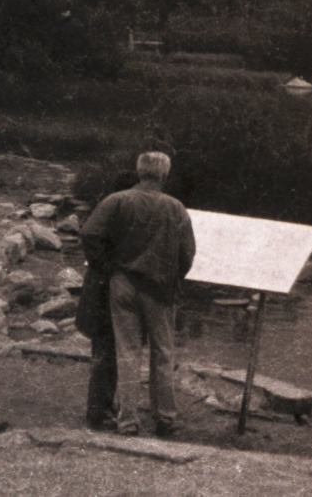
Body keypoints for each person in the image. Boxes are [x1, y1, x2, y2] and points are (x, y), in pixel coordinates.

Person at [79, 151, 196, 437]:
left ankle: (127, 420)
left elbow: (90, 235)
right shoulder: (176, 207)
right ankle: (165, 419)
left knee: (127, 352)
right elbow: (188, 252)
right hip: (159, 288)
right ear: (165, 174)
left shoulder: (117, 200)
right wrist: (174, 276)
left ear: (139, 171)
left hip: (123, 283)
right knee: (163, 353)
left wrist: (107, 268)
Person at [77, 171, 138, 430]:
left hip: (102, 286)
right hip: (103, 290)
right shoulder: (113, 213)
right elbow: (90, 238)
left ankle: (102, 406)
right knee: (105, 352)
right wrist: (109, 267)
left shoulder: (110, 212)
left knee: (107, 352)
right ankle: (98, 412)